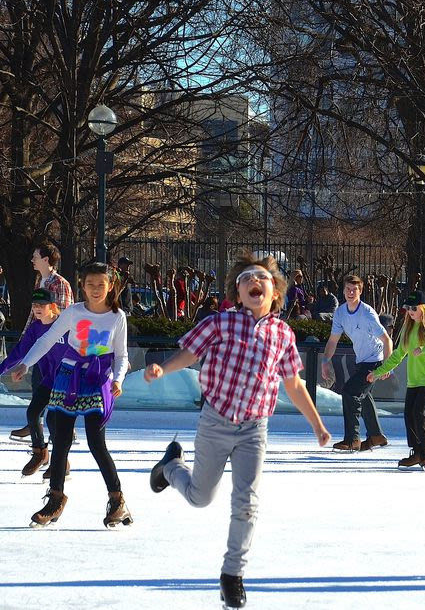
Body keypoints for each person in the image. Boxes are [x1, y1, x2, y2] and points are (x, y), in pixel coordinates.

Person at [145, 253, 331, 610]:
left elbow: (293, 384)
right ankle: (170, 467)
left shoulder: (282, 334)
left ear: (275, 292)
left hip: (254, 430)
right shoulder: (220, 323)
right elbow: (188, 354)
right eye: (246, 279)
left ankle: (232, 575)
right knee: (201, 497)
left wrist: (317, 425)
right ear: (237, 292)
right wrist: (163, 370)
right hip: (215, 422)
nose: (254, 282)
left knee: (247, 502)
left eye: (261, 278)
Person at [12, 263, 131, 528]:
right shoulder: (74, 312)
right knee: (61, 439)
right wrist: (26, 363)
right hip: (68, 377)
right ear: (82, 285)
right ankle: (55, 499)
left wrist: (119, 380)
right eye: (90, 284)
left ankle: (117, 500)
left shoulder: (116, 317)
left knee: (96, 442)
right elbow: (47, 340)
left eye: (101, 284)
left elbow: (122, 356)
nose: (96, 289)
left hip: (97, 380)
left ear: (110, 286)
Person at [368, 290, 425, 469]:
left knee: (419, 411)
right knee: (409, 413)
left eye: (414, 308)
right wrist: (379, 371)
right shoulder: (408, 328)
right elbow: (398, 355)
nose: (411, 311)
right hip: (414, 378)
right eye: (408, 308)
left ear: (424, 309)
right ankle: (417, 452)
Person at [322, 274, 393, 452]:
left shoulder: (368, 314)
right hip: (361, 361)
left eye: (354, 289)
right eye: (348, 289)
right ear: (343, 291)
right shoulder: (340, 313)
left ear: (360, 291)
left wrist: (387, 366)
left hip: (375, 361)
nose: (351, 292)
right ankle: (376, 435)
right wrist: (325, 361)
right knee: (363, 396)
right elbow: (332, 341)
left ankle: (352, 439)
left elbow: (387, 340)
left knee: (349, 392)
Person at [0, 289, 68, 476]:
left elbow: (85, 345)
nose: (37, 308)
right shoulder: (35, 329)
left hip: (66, 383)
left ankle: (61, 463)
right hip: (48, 381)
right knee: (33, 413)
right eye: (35, 305)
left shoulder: (65, 326)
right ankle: (40, 453)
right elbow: (20, 352)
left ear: (53, 306)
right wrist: (2, 369)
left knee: (52, 421)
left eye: (42, 305)